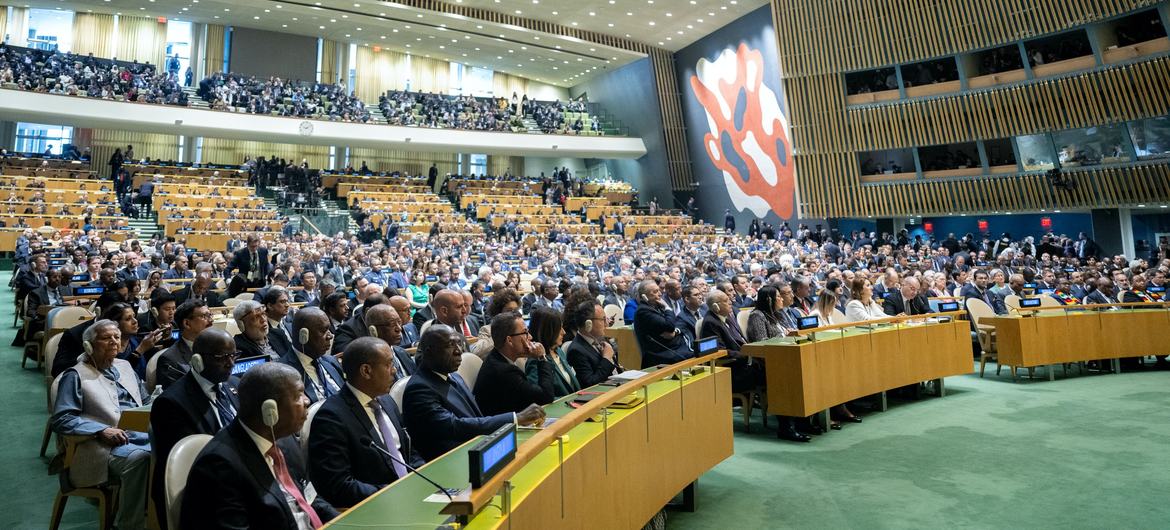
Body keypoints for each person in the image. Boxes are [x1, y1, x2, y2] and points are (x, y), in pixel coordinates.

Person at [180, 363, 338, 529]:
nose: (307, 400)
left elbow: (309, 497)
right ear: (270, 410)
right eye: (298, 395)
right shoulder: (219, 467)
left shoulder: (284, 439)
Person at [51, 319, 150, 530]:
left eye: (116, 336)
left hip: (140, 435)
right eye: (106, 338)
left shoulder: (125, 366)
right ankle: (129, 525)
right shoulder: (75, 375)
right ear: (88, 346)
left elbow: (146, 400)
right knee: (142, 459)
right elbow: (62, 419)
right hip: (100, 446)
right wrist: (101, 430)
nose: (115, 342)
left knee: (172, 450)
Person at [308, 337, 425, 508]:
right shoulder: (331, 418)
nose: (394, 370)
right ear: (366, 371)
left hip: (411, 494)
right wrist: (393, 493)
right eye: (388, 364)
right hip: (379, 506)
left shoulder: (387, 401)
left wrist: (421, 475)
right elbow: (338, 485)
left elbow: (408, 450)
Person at [402, 325, 546, 460]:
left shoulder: (455, 377)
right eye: (450, 345)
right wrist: (516, 418)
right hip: (451, 461)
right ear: (429, 351)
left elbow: (476, 416)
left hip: (477, 450)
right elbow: (454, 427)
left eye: (459, 344)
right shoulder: (419, 389)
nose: (459, 351)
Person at [149, 328, 240, 528]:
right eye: (222, 357)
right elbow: (196, 461)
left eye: (234, 355)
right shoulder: (171, 403)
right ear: (197, 360)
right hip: (205, 490)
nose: (231, 363)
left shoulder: (235, 385)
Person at [474, 312, 556, 414]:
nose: (530, 337)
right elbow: (546, 397)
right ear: (509, 340)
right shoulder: (503, 371)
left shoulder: (496, 357)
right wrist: (542, 358)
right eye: (525, 333)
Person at [698, 290, 760, 393]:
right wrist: (746, 355)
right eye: (726, 301)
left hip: (744, 362)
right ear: (715, 307)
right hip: (734, 369)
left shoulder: (727, 317)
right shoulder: (710, 323)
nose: (731, 302)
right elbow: (720, 352)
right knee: (770, 370)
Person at [280, 307, 342, 404]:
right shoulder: (283, 372)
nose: (330, 336)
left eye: (329, 329)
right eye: (323, 330)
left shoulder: (331, 361)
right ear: (303, 336)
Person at [155, 299, 214, 389]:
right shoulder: (169, 360)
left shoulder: (217, 349)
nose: (211, 321)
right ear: (187, 323)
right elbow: (175, 398)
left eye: (210, 315)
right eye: (204, 316)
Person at [632, 280, 692, 367]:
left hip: (671, 347)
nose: (660, 294)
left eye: (659, 290)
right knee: (691, 354)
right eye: (655, 292)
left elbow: (675, 323)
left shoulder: (655, 307)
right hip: (658, 354)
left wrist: (676, 332)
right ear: (644, 296)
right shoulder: (643, 311)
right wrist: (667, 307)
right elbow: (670, 326)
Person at [565, 300, 624, 387]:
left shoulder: (601, 340)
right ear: (588, 324)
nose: (606, 323)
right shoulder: (576, 350)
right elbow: (590, 383)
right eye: (603, 319)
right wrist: (607, 359)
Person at [526, 306, 580, 396]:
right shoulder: (536, 360)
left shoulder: (558, 351)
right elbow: (539, 397)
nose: (564, 332)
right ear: (548, 331)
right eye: (559, 329)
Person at [364, 304, 418, 377]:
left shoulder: (402, 352)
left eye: (399, 322)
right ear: (373, 330)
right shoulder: (370, 363)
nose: (399, 328)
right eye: (392, 324)